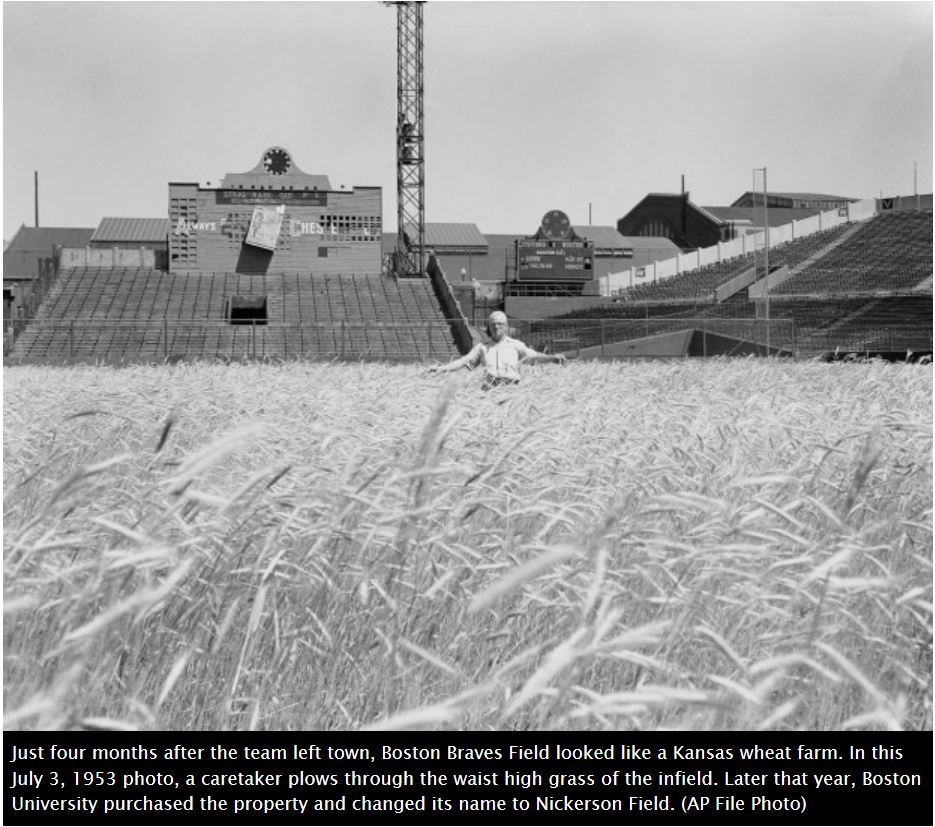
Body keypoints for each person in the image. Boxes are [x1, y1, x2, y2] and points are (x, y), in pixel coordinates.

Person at [427, 311, 565, 390]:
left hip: (512, 390)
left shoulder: (516, 345)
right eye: (492, 324)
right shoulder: (482, 347)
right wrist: (441, 369)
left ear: (506, 326)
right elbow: (463, 362)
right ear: (489, 326)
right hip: (489, 391)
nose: (496, 327)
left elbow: (534, 357)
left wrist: (553, 358)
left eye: (500, 324)